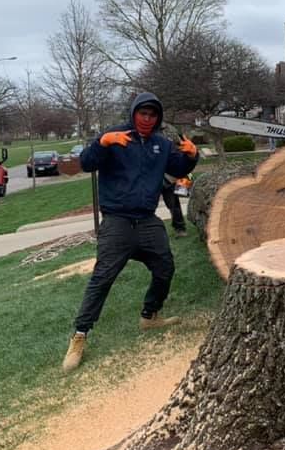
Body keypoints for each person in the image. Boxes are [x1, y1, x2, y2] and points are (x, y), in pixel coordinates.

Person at [62, 92, 198, 373]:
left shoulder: (161, 144)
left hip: (147, 221)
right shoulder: (115, 136)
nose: (147, 119)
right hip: (117, 222)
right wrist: (102, 143)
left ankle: (150, 315)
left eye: (152, 115)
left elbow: (178, 166)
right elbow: (86, 163)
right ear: (134, 113)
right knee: (103, 278)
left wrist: (192, 157)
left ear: (157, 118)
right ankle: (79, 336)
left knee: (165, 267)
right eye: (142, 114)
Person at [159, 123, 189, 238]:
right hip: (150, 172)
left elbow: (182, 147)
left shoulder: (170, 130)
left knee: (173, 203)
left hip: (169, 174)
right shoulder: (143, 130)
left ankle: (180, 228)